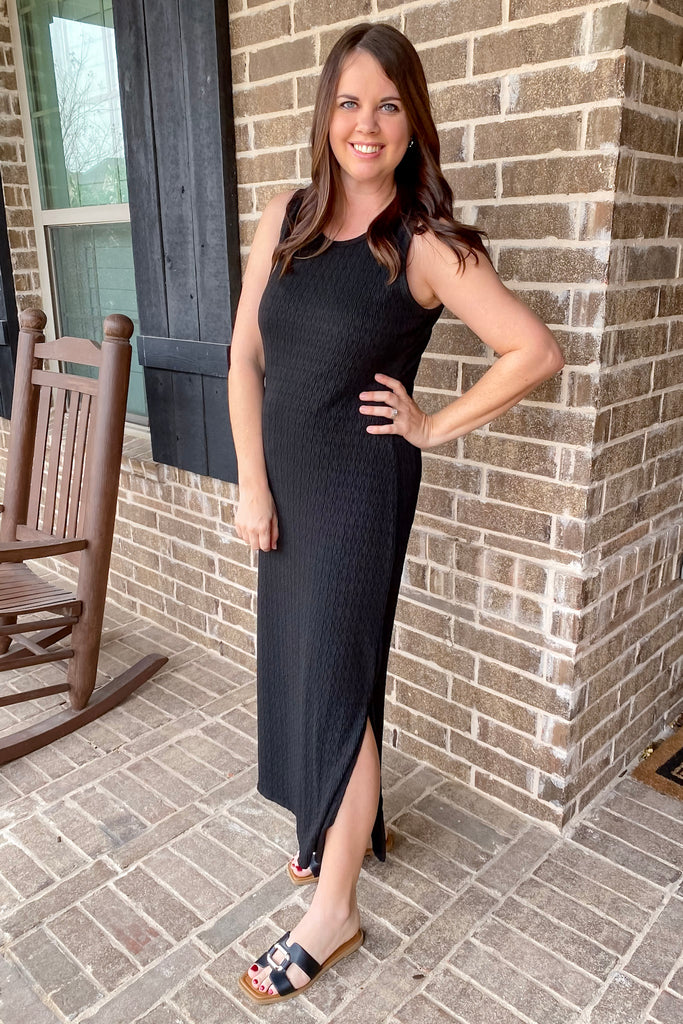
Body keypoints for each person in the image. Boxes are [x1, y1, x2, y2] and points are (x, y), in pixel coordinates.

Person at [228, 22, 564, 1005]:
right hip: (285, 483)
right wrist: (250, 481)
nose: (365, 124)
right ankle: (332, 826)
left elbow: (532, 351)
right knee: (306, 660)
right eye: (348, 102)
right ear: (324, 113)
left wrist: (432, 424)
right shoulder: (285, 217)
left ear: (413, 120)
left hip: (357, 491)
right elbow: (245, 358)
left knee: (336, 678)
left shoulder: (422, 244)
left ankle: (332, 911)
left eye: (387, 104)